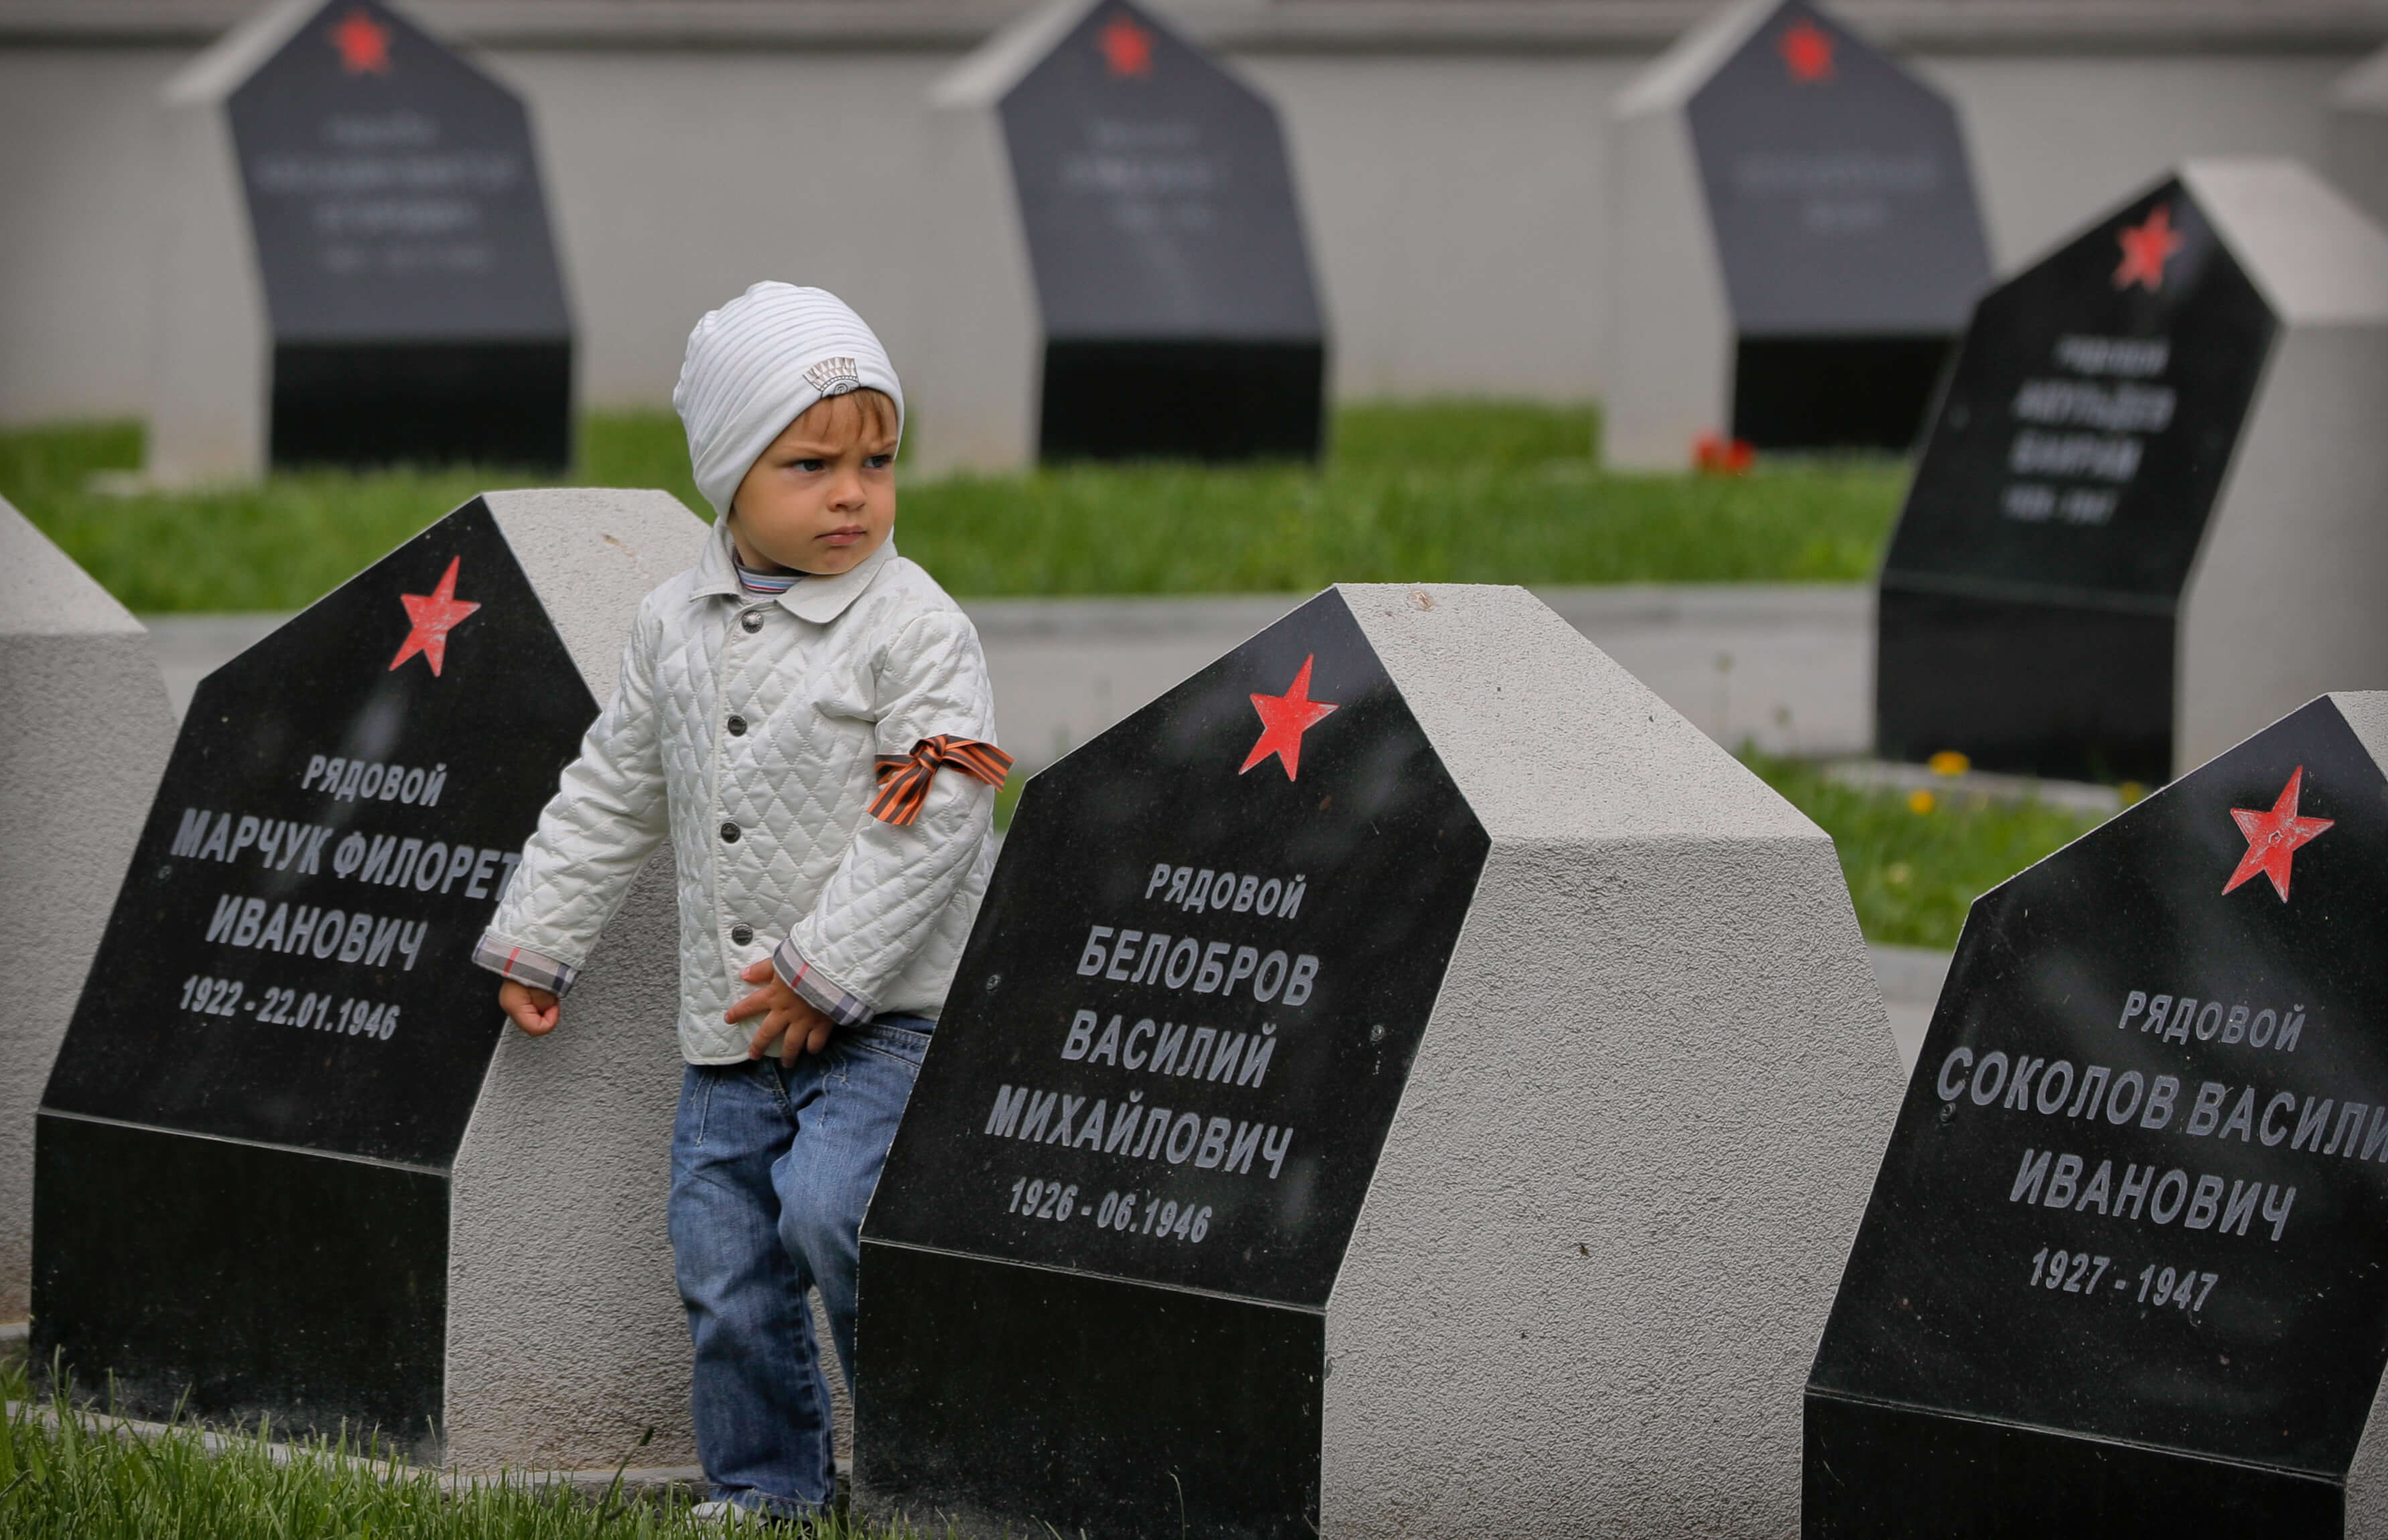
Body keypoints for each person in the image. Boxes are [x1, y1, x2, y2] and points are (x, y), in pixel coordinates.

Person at [472, 282, 1008, 1521]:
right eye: (811, 463)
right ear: (727, 475)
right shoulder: (674, 622)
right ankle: (767, 1486)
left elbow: (937, 817)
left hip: (884, 1012)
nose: (852, 494)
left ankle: (932, 1467)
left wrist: (826, 974)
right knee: (724, 1261)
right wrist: (540, 939)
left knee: (835, 1214)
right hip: (730, 1026)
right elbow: (614, 789)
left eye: (878, 461)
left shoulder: (914, 627)